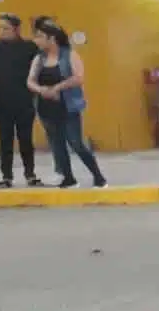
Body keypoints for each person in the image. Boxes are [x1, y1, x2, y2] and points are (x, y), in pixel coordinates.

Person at [28, 20, 107, 189]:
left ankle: (98, 177)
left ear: (52, 38)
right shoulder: (39, 59)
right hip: (46, 106)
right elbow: (30, 81)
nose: (37, 41)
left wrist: (57, 87)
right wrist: (42, 90)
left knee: (76, 142)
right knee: (57, 143)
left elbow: (78, 78)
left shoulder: (69, 55)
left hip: (68, 105)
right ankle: (68, 178)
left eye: (40, 37)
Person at [0, 14, 42, 187]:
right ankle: (7, 176)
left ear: (16, 30)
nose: (1, 31)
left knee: (25, 139)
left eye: (5, 28)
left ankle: (30, 174)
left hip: (24, 101)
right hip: (0, 102)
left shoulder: (29, 47)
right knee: (5, 140)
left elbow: (37, 72)